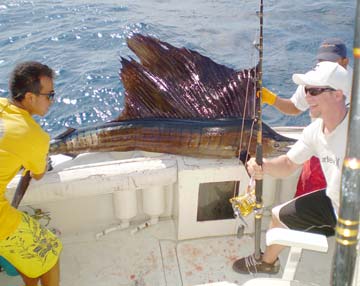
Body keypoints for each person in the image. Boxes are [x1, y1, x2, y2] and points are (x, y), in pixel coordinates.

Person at [232, 61, 351, 274]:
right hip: (333, 202)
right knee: (278, 216)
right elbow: (287, 164)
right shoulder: (315, 131)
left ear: (338, 94)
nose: (307, 97)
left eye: (314, 91)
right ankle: (267, 263)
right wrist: (264, 166)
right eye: (306, 90)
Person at [262, 38, 352, 197]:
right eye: (321, 61)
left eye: (331, 61)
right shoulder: (314, 82)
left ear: (345, 61)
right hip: (318, 152)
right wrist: (271, 99)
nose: (325, 65)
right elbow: (295, 107)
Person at [0, 61, 62, 285]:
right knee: (51, 252)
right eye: (50, 95)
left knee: (27, 254)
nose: (52, 101)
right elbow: (37, 174)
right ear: (29, 97)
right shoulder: (35, 136)